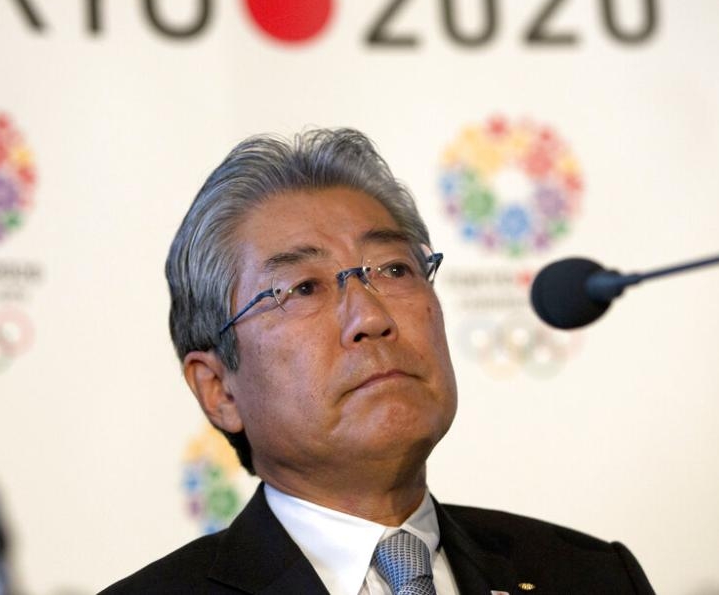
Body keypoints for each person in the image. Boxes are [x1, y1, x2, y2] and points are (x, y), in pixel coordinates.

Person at [101, 129, 654, 595]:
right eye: (302, 288)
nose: (369, 316)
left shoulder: (592, 577)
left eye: (392, 270)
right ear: (219, 388)